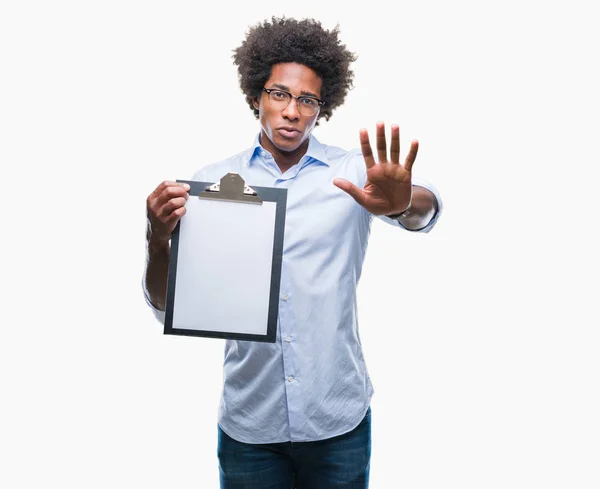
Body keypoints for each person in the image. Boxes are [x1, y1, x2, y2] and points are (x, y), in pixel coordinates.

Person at [144, 16, 442, 489]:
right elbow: (166, 303)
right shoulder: (213, 185)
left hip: (337, 420)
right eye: (279, 94)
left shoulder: (350, 172)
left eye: (307, 100)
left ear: (321, 109)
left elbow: (424, 208)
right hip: (250, 425)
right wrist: (157, 240)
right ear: (257, 96)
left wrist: (407, 203)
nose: (292, 111)